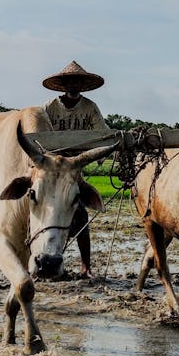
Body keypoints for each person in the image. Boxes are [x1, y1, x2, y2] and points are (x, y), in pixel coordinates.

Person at [42, 60, 109, 276]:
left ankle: (86, 265)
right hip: (51, 170)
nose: (74, 85)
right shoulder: (49, 108)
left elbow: (102, 133)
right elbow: (38, 136)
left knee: (80, 214)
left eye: (78, 81)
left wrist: (104, 150)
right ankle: (36, 260)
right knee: (41, 212)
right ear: (63, 84)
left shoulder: (89, 108)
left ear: (83, 84)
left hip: (74, 172)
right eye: (70, 81)